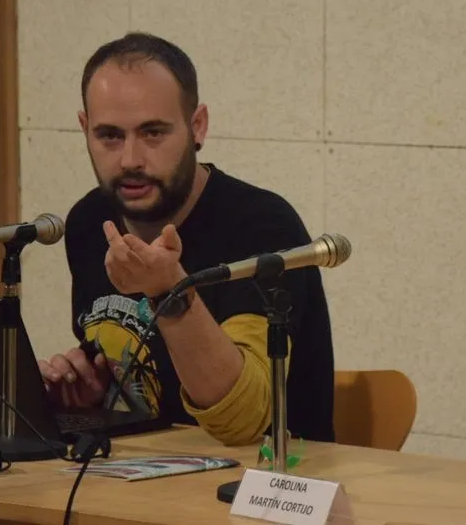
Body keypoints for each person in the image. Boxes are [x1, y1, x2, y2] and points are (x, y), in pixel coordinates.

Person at [36, 32, 336, 446]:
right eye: (109, 136)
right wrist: (95, 394)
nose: (130, 160)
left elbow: (243, 420)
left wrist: (168, 290)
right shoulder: (91, 222)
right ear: (84, 128)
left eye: (153, 133)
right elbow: (147, 388)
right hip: (149, 475)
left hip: (263, 485)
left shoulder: (263, 228)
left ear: (197, 126)